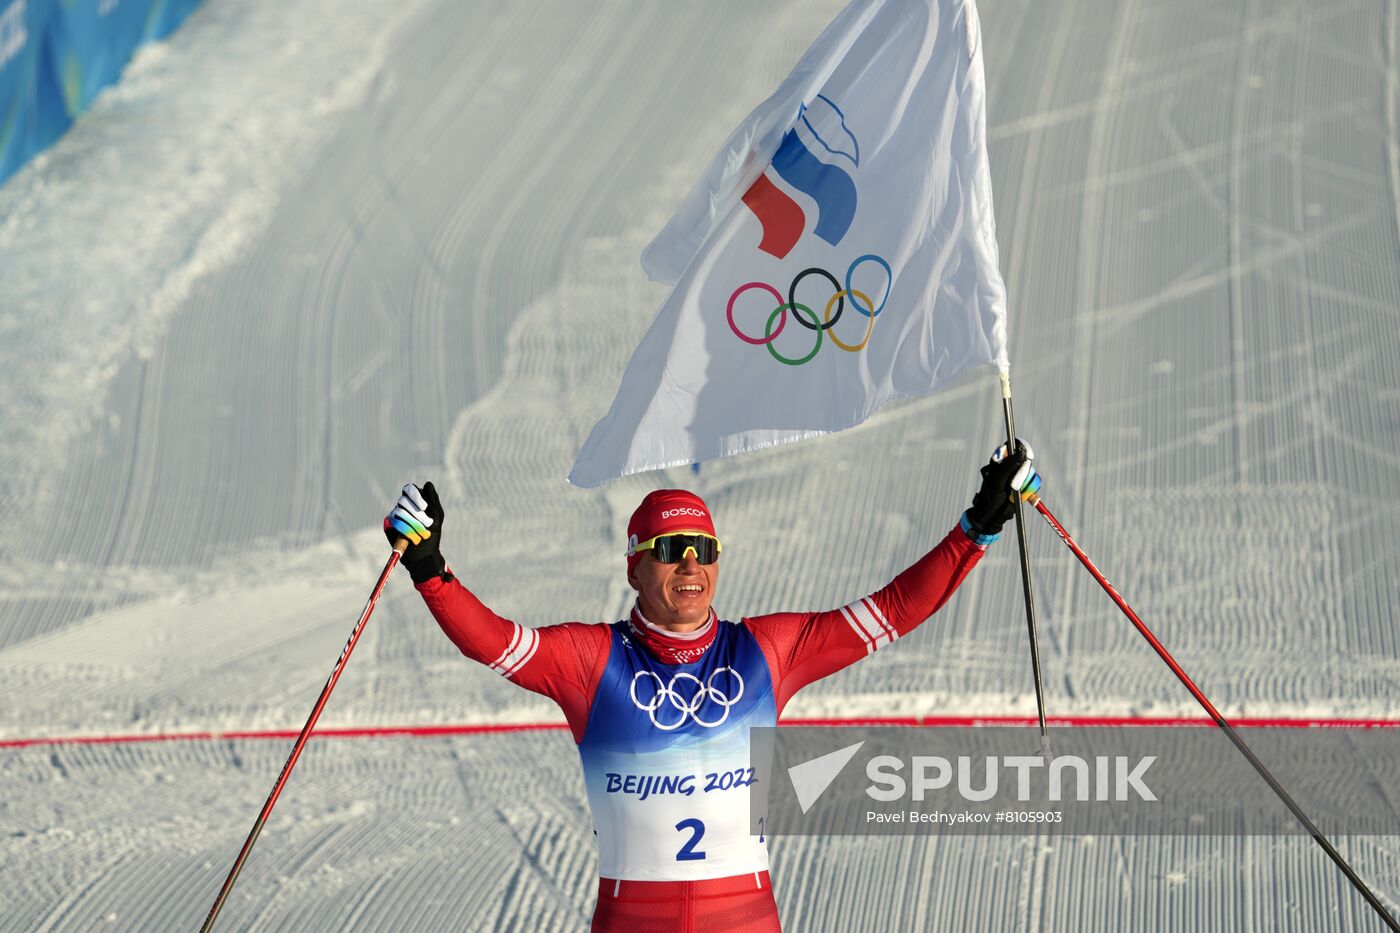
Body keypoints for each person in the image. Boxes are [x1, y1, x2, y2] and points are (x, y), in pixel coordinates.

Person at [385, 442, 1040, 932]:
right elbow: (493, 641)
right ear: (634, 568)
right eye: (671, 548)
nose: (691, 563)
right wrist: (429, 567)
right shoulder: (592, 659)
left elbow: (892, 610)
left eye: (704, 547)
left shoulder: (766, 651)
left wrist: (978, 527)